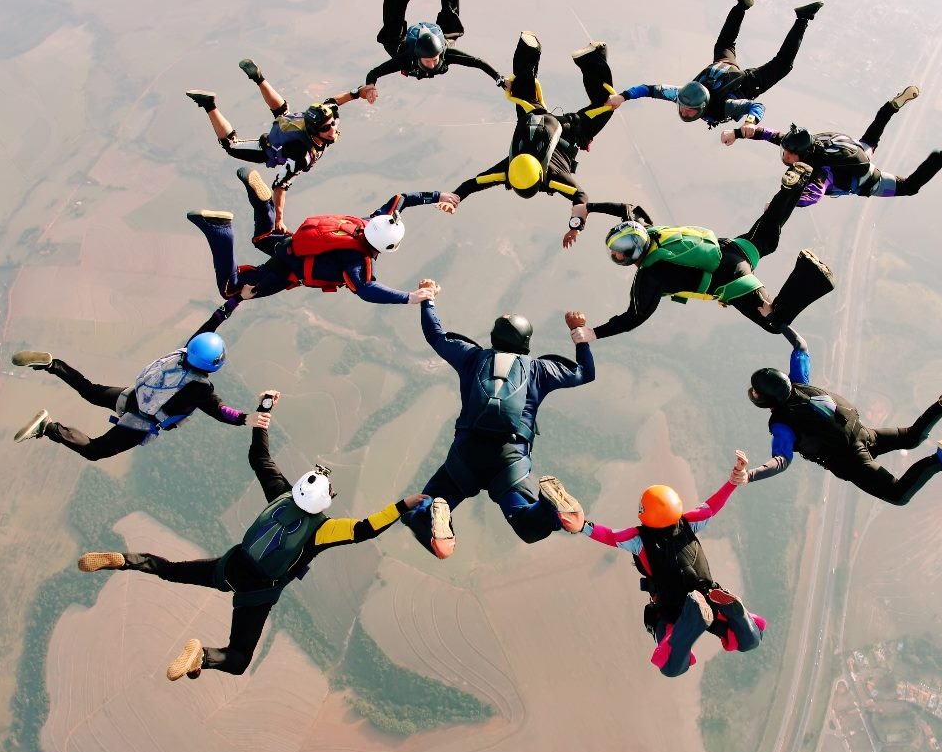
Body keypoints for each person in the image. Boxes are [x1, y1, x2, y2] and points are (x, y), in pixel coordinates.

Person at [75, 390, 427, 681]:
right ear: (324, 501)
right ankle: (203, 656)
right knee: (239, 659)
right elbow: (365, 529)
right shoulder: (323, 529)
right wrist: (404, 505)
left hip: (231, 565)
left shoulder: (280, 495)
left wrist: (263, 411)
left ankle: (125, 561)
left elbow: (259, 455)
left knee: (171, 570)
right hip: (257, 592)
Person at [400, 298, 595, 558]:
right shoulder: (539, 370)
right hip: (509, 460)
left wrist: (428, 301)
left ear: (494, 336)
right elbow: (585, 372)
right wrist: (578, 331)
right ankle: (548, 507)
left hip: (466, 455)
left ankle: (435, 511)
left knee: (420, 511)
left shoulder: (471, 357)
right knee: (530, 527)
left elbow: (434, 335)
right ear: (526, 341)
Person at [569, 165, 835, 343]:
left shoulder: (650, 275)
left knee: (773, 322)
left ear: (631, 254)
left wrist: (594, 333)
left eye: (617, 253)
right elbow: (628, 209)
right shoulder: (648, 231)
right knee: (769, 233)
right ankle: (791, 188)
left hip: (730, 280)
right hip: (731, 248)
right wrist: (589, 207)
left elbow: (634, 317)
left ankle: (811, 276)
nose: (615, 257)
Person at [576, 452, 765, 677]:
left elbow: (609, 535)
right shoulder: (688, 523)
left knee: (671, 666)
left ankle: (690, 622)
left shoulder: (639, 539)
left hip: (671, 608)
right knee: (750, 640)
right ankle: (738, 615)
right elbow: (714, 504)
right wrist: (733, 481)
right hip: (710, 595)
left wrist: (582, 526)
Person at [745, 326, 942, 504]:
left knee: (898, 495)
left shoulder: (781, 424)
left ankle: (940, 460)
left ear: (768, 399)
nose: (753, 393)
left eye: (756, 392)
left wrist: (750, 476)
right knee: (912, 437)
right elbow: (801, 346)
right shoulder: (798, 381)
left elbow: (781, 461)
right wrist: (777, 320)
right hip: (863, 434)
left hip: (851, 461)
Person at [186, 167, 456, 306]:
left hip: (291, 245)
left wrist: (437, 196)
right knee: (231, 290)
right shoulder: (358, 260)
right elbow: (366, 290)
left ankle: (265, 203)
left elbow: (402, 199)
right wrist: (410, 297)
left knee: (263, 236)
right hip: (285, 272)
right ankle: (220, 231)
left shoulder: (369, 221)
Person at [450, 32, 624, 248]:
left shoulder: (551, 177)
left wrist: (575, 226)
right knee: (524, 90)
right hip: (533, 115)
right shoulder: (507, 171)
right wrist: (455, 196)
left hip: (570, 131)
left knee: (606, 105)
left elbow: (580, 196)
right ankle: (528, 48)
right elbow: (474, 183)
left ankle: (593, 57)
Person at [10, 305, 246, 461]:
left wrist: (231, 304)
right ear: (214, 364)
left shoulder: (187, 350)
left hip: (134, 396)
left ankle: (53, 365)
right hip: (141, 421)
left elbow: (209, 326)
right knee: (95, 450)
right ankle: (48, 427)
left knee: (91, 391)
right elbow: (220, 410)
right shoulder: (200, 388)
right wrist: (245, 418)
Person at [606, 0, 822, 129]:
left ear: (702, 106)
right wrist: (623, 97)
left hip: (744, 83)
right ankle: (741, 5)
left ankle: (803, 19)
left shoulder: (725, 107)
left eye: (689, 111)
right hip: (721, 68)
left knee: (783, 64)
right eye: (684, 109)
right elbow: (648, 89)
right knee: (726, 43)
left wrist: (750, 122)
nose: (684, 112)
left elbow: (756, 106)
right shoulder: (681, 95)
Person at [721, 85, 942, 204]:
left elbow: (813, 195)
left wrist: (782, 202)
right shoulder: (805, 144)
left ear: (799, 154)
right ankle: (891, 106)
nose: (784, 156)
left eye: (787, 154)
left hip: (867, 178)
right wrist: (737, 133)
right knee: (874, 132)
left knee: (910, 188)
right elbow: (769, 134)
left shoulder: (820, 171)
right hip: (857, 151)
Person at [185, 58, 371, 214]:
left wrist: (357, 93)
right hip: (269, 147)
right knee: (231, 146)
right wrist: (279, 218)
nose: (332, 129)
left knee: (282, 112)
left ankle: (258, 77)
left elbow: (334, 101)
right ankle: (209, 105)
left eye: (331, 124)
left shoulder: (327, 115)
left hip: (290, 123)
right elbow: (280, 185)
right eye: (325, 129)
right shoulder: (301, 156)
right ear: (314, 131)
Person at [361, 0, 504, 100]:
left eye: (434, 60)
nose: (432, 64)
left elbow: (477, 62)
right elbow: (375, 72)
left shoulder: (445, 53)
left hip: (436, 42)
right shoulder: (406, 58)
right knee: (393, 39)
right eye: (428, 61)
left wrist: (500, 79)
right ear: (419, 56)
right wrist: (370, 87)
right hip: (408, 48)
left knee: (393, 37)